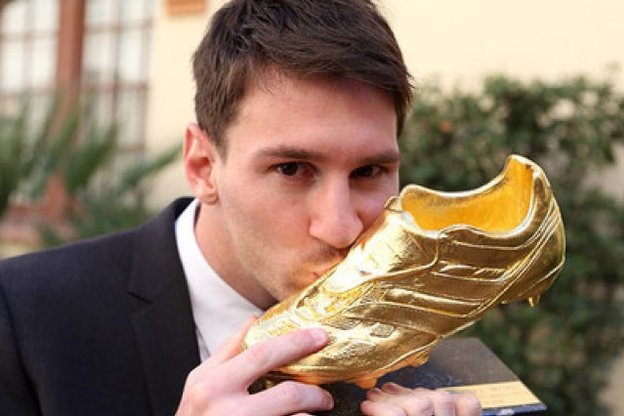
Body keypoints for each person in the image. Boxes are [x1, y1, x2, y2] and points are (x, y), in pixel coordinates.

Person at [0, 1, 482, 415]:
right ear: (203, 166)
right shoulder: (23, 319)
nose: (340, 227)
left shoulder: (423, 336)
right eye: (292, 169)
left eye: (368, 171)